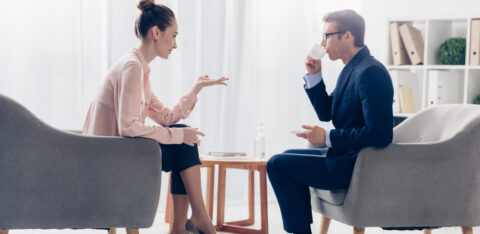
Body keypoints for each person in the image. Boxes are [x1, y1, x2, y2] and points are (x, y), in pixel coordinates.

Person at [82, 1, 227, 234]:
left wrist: (196, 88)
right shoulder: (132, 68)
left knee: (183, 138)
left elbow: (167, 117)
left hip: (117, 153)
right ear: (156, 33)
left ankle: (189, 223)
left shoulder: (138, 67)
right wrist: (179, 135)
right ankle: (194, 221)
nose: (175, 45)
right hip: (109, 159)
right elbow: (128, 127)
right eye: (174, 36)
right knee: (183, 141)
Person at [266, 9, 393, 234]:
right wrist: (315, 75)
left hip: (355, 164)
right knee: (284, 157)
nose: (322, 43)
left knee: (277, 164)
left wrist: (327, 137)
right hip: (343, 156)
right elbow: (327, 113)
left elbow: (381, 134)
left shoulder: (370, 72)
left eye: (327, 36)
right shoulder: (352, 69)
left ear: (348, 35)